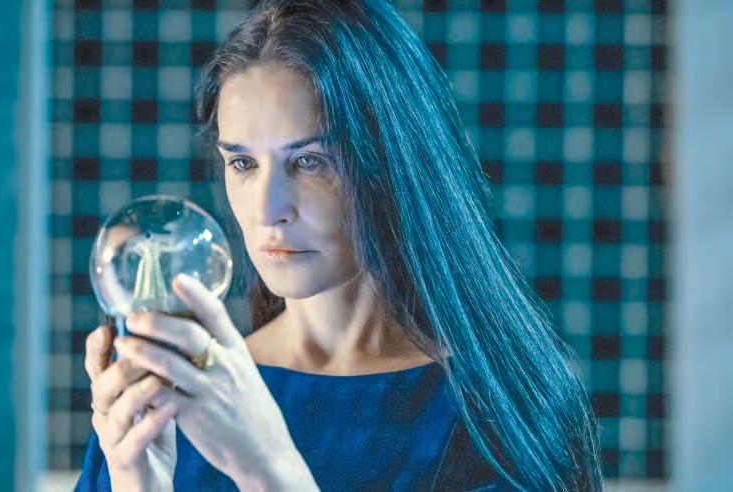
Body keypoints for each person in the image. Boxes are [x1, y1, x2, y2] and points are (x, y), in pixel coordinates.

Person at [75, 0, 603, 490]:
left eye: (309, 161)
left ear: (390, 163)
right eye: (243, 163)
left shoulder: (501, 414)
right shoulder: (174, 392)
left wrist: (267, 468)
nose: (267, 209)